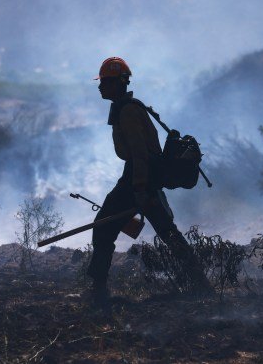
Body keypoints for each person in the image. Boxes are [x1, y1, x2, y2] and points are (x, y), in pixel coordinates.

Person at [87, 57, 213, 307]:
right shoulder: (127, 107)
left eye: (104, 82)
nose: (100, 87)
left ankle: (98, 294)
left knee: (103, 228)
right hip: (142, 177)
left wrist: (140, 188)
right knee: (167, 232)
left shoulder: (128, 111)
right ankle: (202, 286)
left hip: (137, 177)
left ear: (118, 84)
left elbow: (140, 153)